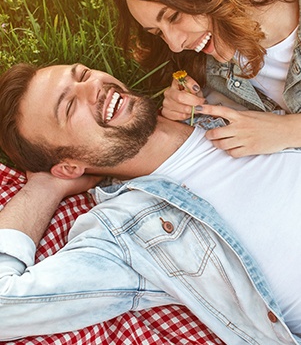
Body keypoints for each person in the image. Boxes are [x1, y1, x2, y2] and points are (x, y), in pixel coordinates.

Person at [0, 62, 300, 344]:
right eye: (69, 107)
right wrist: (44, 187)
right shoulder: (126, 235)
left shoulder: (219, 94)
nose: (93, 87)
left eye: (83, 74)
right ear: (68, 166)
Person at [110, 0, 301, 158]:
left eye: (174, 16)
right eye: (158, 33)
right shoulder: (208, 66)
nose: (176, 45)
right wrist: (180, 104)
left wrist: (288, 131)